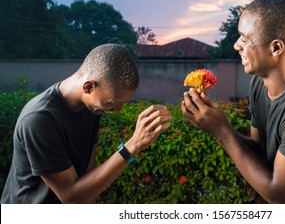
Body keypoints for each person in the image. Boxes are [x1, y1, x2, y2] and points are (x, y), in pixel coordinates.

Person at [181, 0, 285, 203]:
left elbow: (278, 194)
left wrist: (222, 130)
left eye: (245, 39)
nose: (236, 45)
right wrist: (215, 122)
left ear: (276, 48)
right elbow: (259, 151)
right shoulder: (259, 84)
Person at [1, 44, 172, 203]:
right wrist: (132, 146)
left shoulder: (93, 108)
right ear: (89, 87)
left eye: (122, 103)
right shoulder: (39, 119)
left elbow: (87, 179)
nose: (117, 109)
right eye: (113, 102)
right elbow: (70, 197)